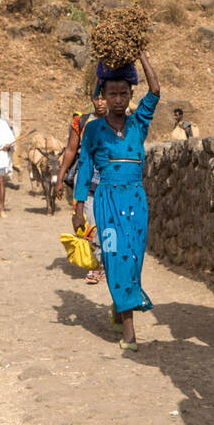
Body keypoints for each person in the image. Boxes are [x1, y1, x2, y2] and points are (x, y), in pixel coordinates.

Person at [72, 53, 160, 350]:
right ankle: (129, 332)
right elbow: (84, 167)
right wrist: (78, 209)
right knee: (113, 257)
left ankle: (120, 304)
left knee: (132, 260)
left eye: (124, 93)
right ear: (103, 97)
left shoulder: (139, 124)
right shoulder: (94, 130)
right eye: (112, 94)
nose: (119, 99)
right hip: (106, 202)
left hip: (136, 201)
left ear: (130, 95)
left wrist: (141, 55)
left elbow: (156, 91)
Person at [58, 92, 109, 284]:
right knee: (90, 223)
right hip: (86, 178)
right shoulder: (82, 122)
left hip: (109, 179)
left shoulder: (119, 121)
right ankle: (95, 265)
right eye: (98, 98)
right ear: (92, 100)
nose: (101, 102)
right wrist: (60, 177)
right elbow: (71, 150)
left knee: (108, 225)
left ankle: (107, 264)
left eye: (105, 98)